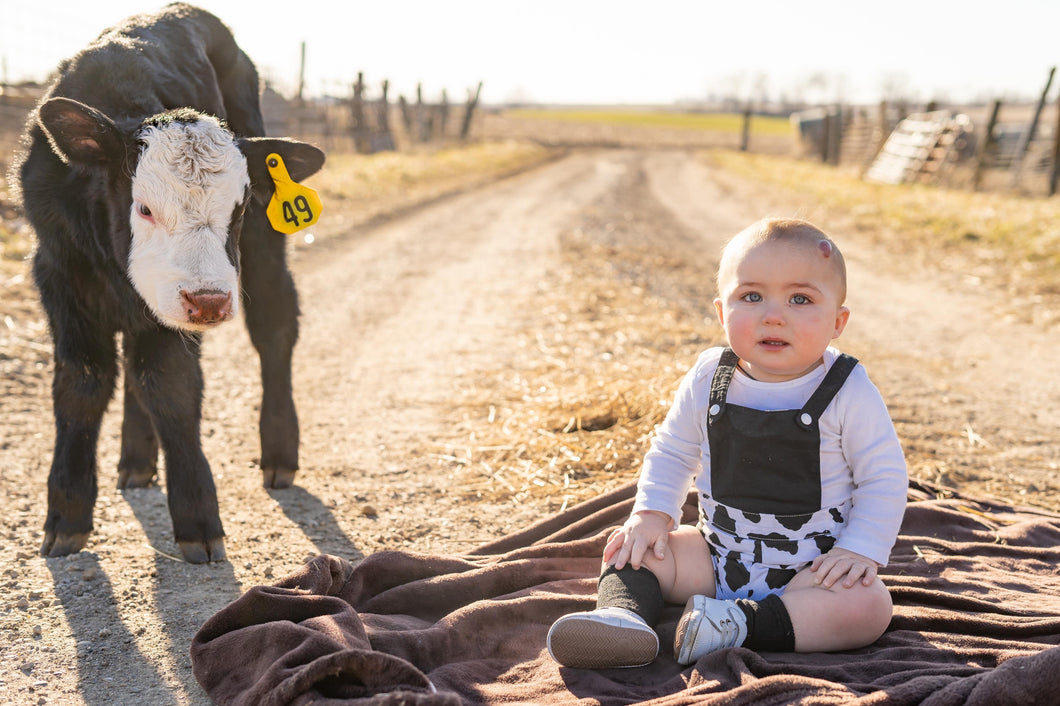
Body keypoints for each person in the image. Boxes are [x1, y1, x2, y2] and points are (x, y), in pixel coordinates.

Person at [547, 218, 908, 669]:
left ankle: (738, 623)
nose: (773, 315)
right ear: (722, 313)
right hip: (716, 555)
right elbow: (672, 451)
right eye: (751, 297)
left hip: (812, 571)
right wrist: (652, 514)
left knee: (868, 607)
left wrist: (859, 549)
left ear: (839, 322)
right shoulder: (709, 377)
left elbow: (884, 477)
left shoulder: (847, 388)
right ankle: (621, 618)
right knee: (632, 548)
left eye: (800, 299)